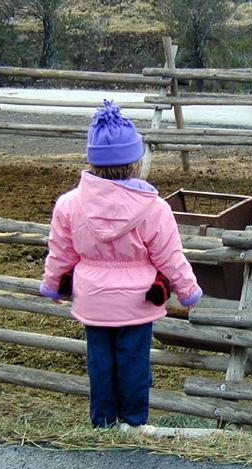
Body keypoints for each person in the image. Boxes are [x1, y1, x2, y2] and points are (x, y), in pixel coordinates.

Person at [39, 100, 202, 435]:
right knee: (133, 363)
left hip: (93, 300)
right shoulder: (154, 208)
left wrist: (52, 284)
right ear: (134, 160)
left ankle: (102, 423)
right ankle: (134, 422)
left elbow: (60, 253)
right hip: (137, 302)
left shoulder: (69, 205)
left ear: (93, 158)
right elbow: (170, 256)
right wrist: (187, 290)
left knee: (100, 363)